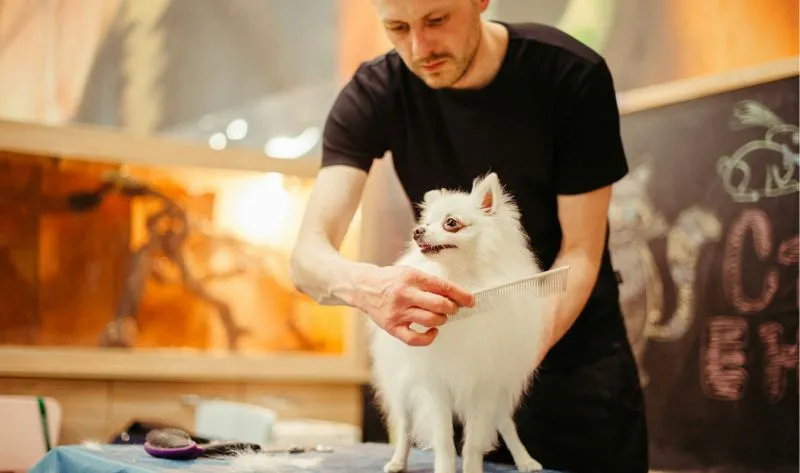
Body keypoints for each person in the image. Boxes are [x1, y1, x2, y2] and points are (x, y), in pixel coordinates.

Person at [289, 1, 649, 472]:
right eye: (397, 28)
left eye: (437, 20)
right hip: (452, 367)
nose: (419, 48)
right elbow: (307, 258)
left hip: (572, 364)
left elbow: (580, 251)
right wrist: (369, 288)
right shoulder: (376, 91)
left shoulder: (569, 74)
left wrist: (510, 351)